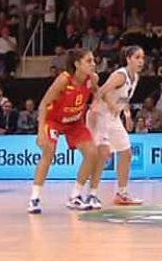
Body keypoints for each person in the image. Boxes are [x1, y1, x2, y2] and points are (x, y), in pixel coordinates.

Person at [28, 48, 99, 213]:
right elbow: (44, 104)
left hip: (75, 122)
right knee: (49, 152)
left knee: (92, 153)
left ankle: (75, 196)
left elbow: (97, 94)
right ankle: (34, 198)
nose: (93, 64)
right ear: (77, 64)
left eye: (94, 60)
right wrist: (40, 132)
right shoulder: (63, 80)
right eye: (89, 61)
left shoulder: (92, 79)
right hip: (54, 121)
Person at [86, 46, 146, 209]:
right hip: (100, 115)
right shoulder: (120, 75)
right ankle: (91, 194)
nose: (141, 61)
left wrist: (127, 116)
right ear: (128, 59)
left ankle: (122, 193)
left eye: (142, 58)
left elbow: (123, 99)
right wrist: (105, 108)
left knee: (126, 153)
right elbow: (100, 92)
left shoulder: (136, 78)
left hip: (113, 118)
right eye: (137, 57)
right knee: (100, 155)